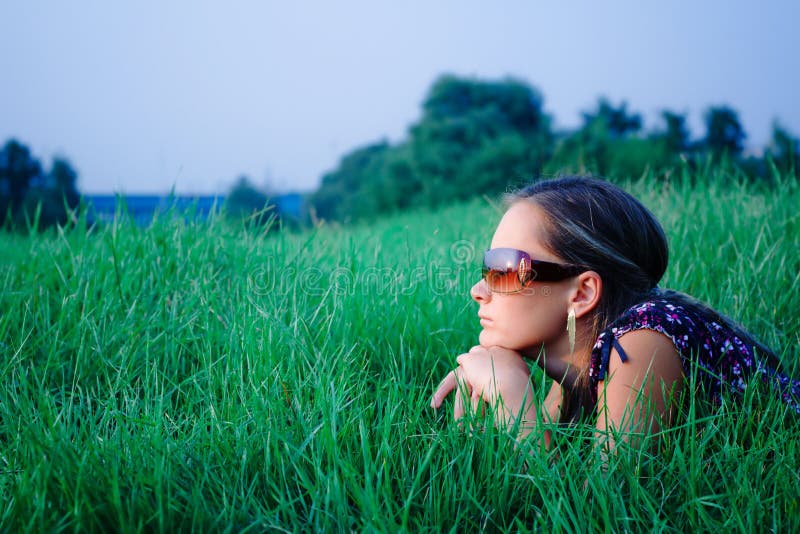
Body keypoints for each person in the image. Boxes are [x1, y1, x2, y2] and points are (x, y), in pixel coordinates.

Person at [430, 176, 799, 451]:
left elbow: (599, 510)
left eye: (506, 270)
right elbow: (554, 475)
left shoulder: (643, 341)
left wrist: (512, 395)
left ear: (583, 293)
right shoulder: (579, 369)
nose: (478, 291)